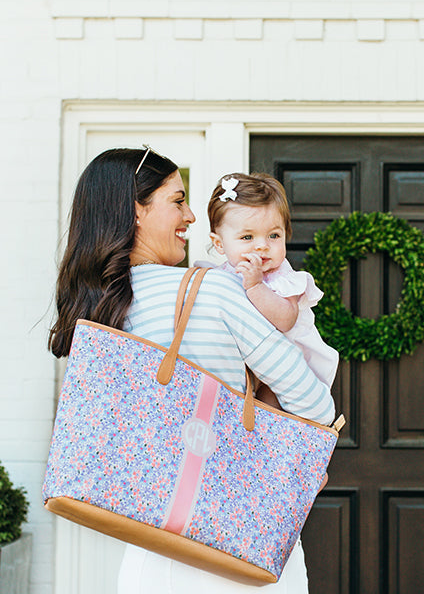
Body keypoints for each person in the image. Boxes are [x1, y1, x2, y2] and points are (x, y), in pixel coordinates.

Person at [48, 146, 336, 594]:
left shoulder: (101, 305)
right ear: (136, 210)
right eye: (177, 201)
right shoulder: (210, 289)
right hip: (237, 539)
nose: (191, 217)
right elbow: (315, 404)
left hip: (152, 545)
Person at [201, 173, 339, 406]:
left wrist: (255, 286)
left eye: (274, 235)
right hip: (241, 365)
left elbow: (286, 320)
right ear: (219, 244)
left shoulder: (283, 277)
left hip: (285, 367)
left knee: (269, 410)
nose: (262, 245)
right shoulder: (220, 277)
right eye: (247, 237)